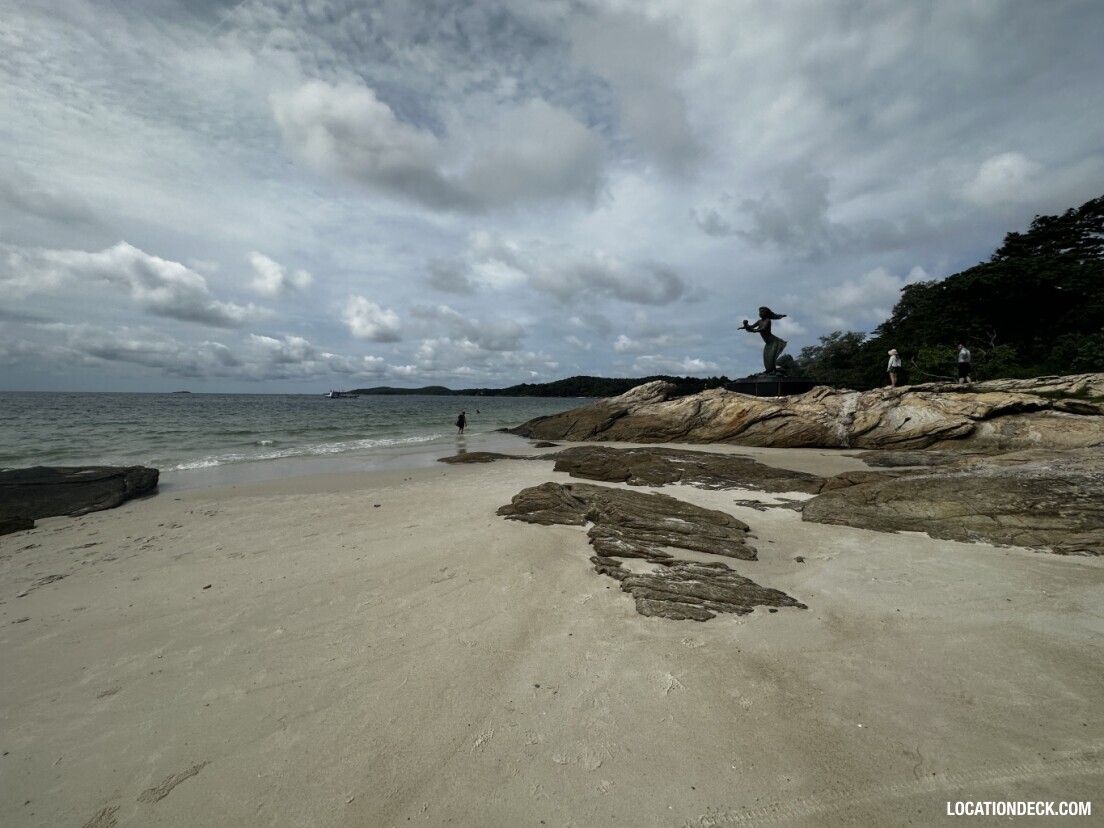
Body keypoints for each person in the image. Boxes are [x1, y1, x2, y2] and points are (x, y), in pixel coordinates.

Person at [740, 307, 788, 374]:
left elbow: (763, 328)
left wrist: (754, 330)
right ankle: (771, 370)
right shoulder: (759, 321)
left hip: (774, 341)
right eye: (760, 312)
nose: (760, 313)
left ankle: (774, 371)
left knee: (771, 358)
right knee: (766, 359)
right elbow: (752, 327)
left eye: (762, 311)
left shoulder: (768, 320)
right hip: (768, 343)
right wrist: (745, 325)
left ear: (766, 313)